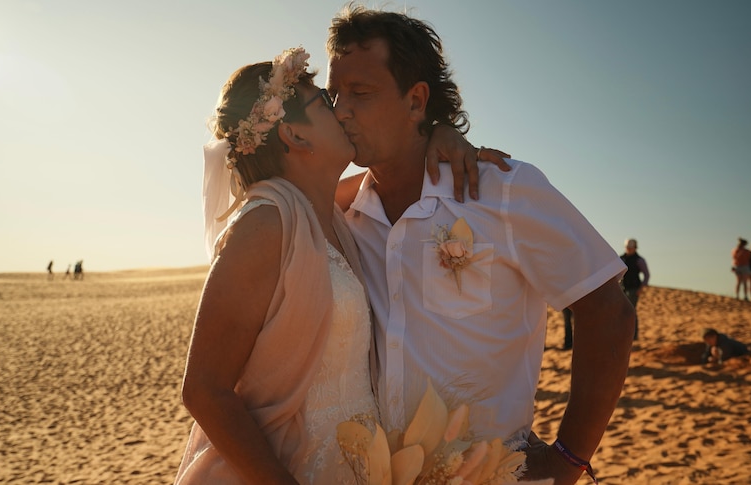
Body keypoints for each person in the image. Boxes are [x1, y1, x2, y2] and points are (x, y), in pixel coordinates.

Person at [327, 6, 635, 485]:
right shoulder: (342, 215)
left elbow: (609, 313)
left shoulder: (502, 191)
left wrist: (568, 460)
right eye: (334, 94)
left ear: (416, 101)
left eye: (360, 93)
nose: (340, 109)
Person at [173, 47, 378, 485]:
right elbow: (204, 389)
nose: (342, 112)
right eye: (324, 102)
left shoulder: (329, 215)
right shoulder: (266, 223)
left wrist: (440, 138)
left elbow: (392, 177)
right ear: (295, 137)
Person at [620, 238, 650, 340]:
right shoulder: (621, 259)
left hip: (633, 289)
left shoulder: (639, 260)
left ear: (635, 248)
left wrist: (641, 288)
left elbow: (646, 275)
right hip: (622, 289)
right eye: (627, 247)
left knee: (630, 311)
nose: (629, 249)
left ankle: (634, 335)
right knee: (621, 312)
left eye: (630, 247)